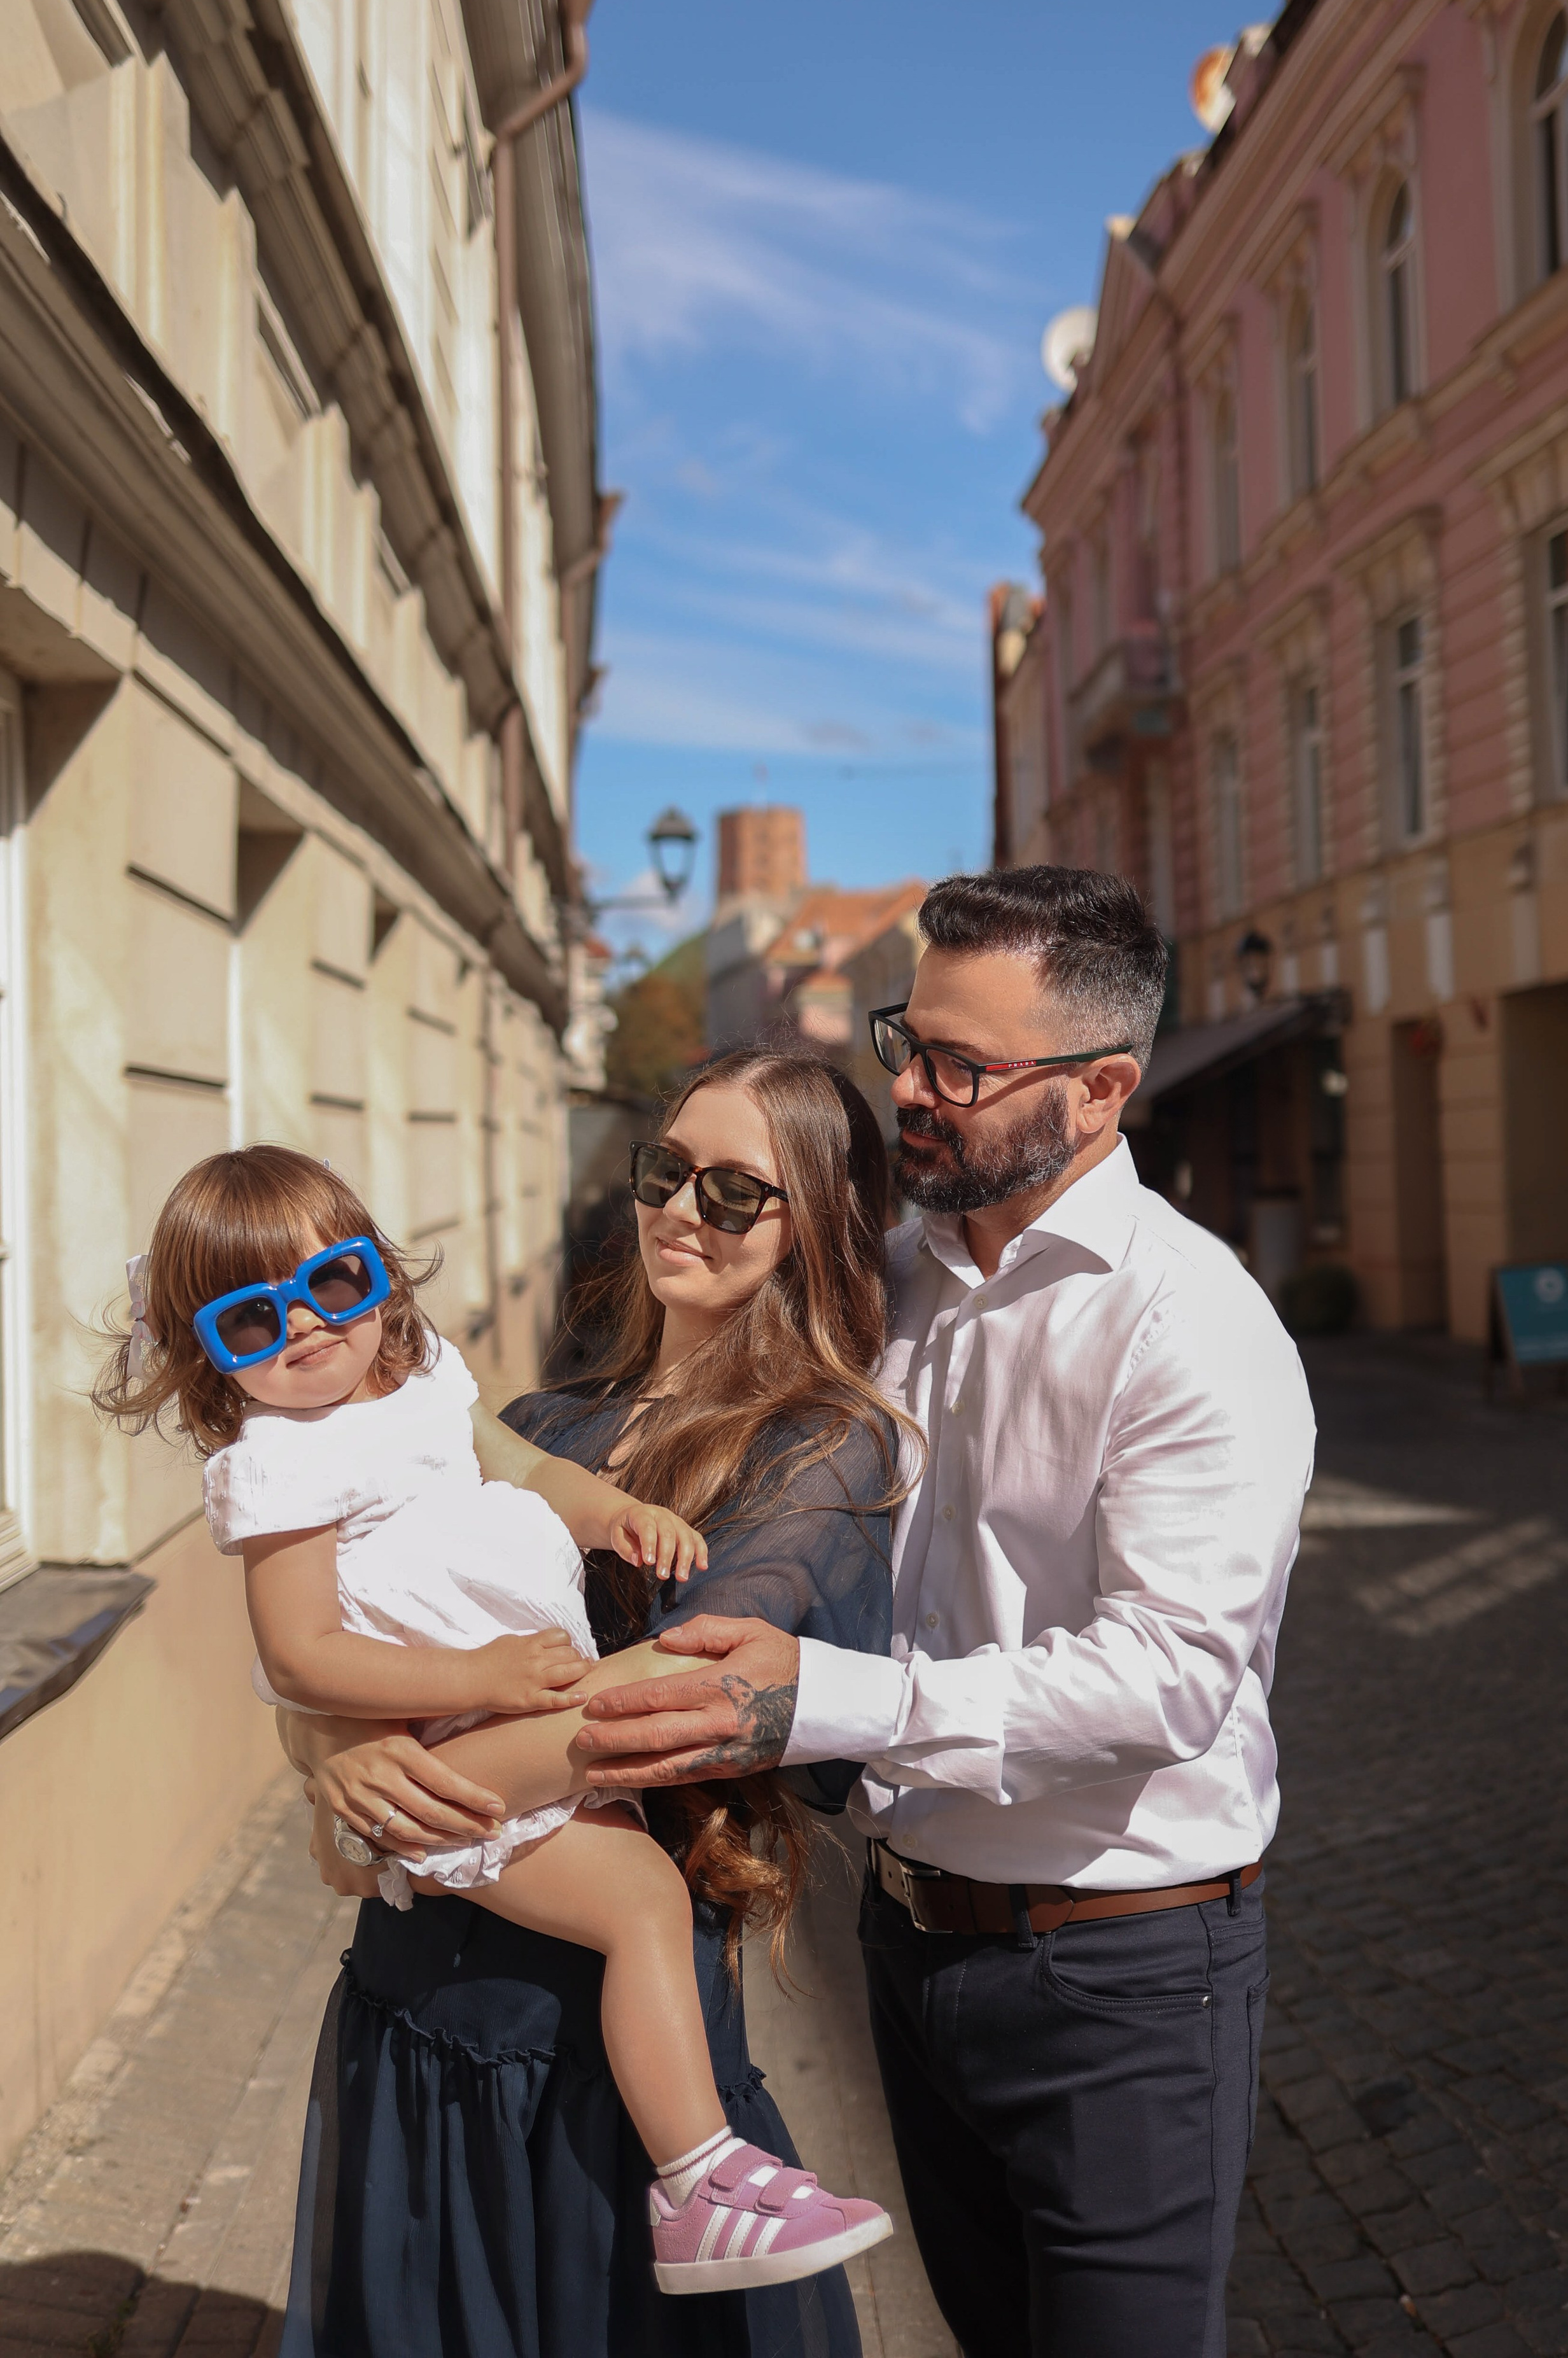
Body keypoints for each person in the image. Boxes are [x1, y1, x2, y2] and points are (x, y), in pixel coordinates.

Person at [571, 867, 1317, 2358]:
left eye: (958, 1068)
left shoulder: (1192, 1321)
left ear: (1100, 1088)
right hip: (909, 1938)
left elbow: (1167, 1677)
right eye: (904, 1036)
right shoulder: (883, 1278)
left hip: (1122, 1973)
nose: (907, 1089)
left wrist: (827, 1696)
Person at [94, 1142, 890, 2299]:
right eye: (250, 1324)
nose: (308, 1331)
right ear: (206, 1355)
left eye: (334, 1285)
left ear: (380, 1277)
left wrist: (615, 1509)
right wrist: (435, 1699)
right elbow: (299, 1651)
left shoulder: (427, 1392)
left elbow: (526, 1472)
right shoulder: (277, 1466)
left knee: (644, 1904)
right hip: (453, 1751)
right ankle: (703, 2183)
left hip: (499, 1742)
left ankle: (700, 2180)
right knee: (638, 1831)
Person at [270, 1049, 911, 2356]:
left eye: (736, 1191)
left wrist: (388, 1804)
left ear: (816, 1228)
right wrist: (320, 1736)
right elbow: (329, 1621)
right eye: (665, 1171)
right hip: (413, 2004)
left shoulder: (824, 1443)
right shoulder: (531, 1421)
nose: (682, 1208)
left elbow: (670, 1686)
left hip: (609, 2049)